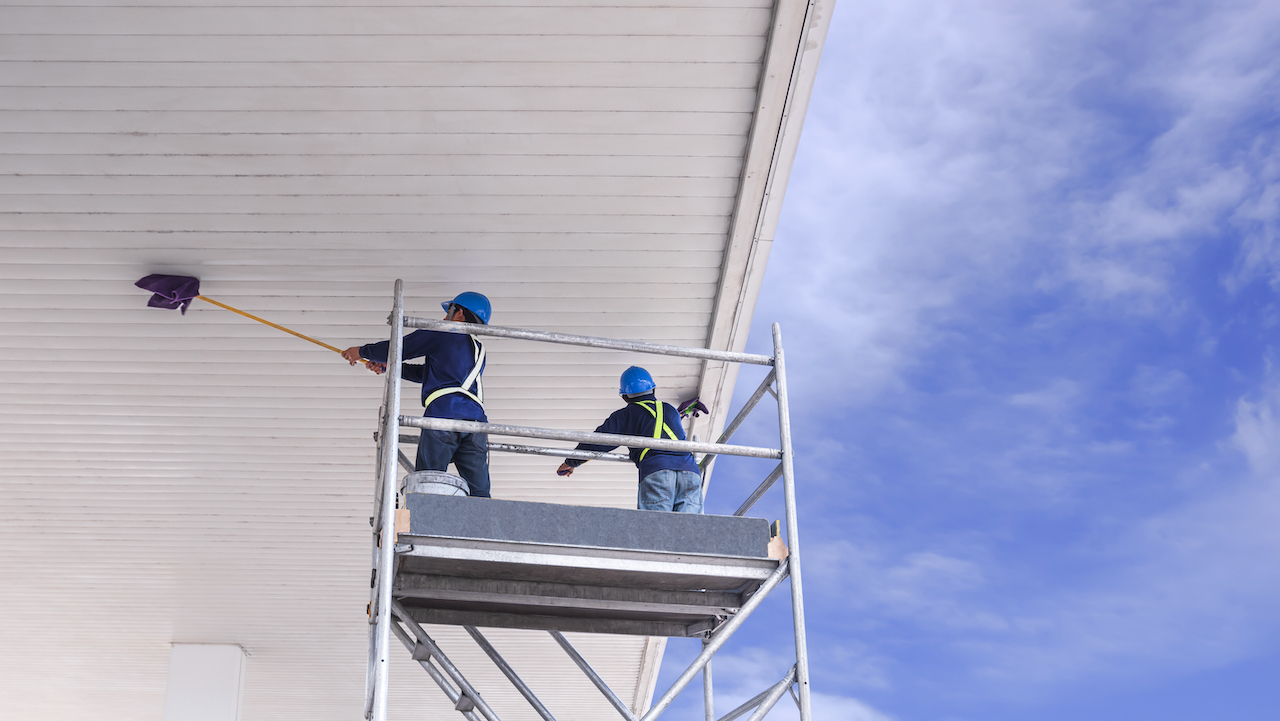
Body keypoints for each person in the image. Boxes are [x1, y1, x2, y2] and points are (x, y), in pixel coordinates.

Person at [342, 292, 492, 498]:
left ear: (459, 313)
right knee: (479, 492)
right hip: (476, 423)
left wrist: (362, 351)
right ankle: (483, 527)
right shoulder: (477, 350)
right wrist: (390, 367)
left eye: (448, 311)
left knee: (429, 483)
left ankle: (427, 525)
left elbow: (401, 348)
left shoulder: (445, 332)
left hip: (444, 414)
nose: (444, 317)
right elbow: (430, 374)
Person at [556, 366, 703, 513]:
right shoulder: (670, 410)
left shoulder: (625, 415)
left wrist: (571, 461)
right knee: (690, 531)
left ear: (625, 396)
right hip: (690, 472)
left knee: (657, 530)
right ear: (653, 389)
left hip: (657, 470)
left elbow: (599, 441)